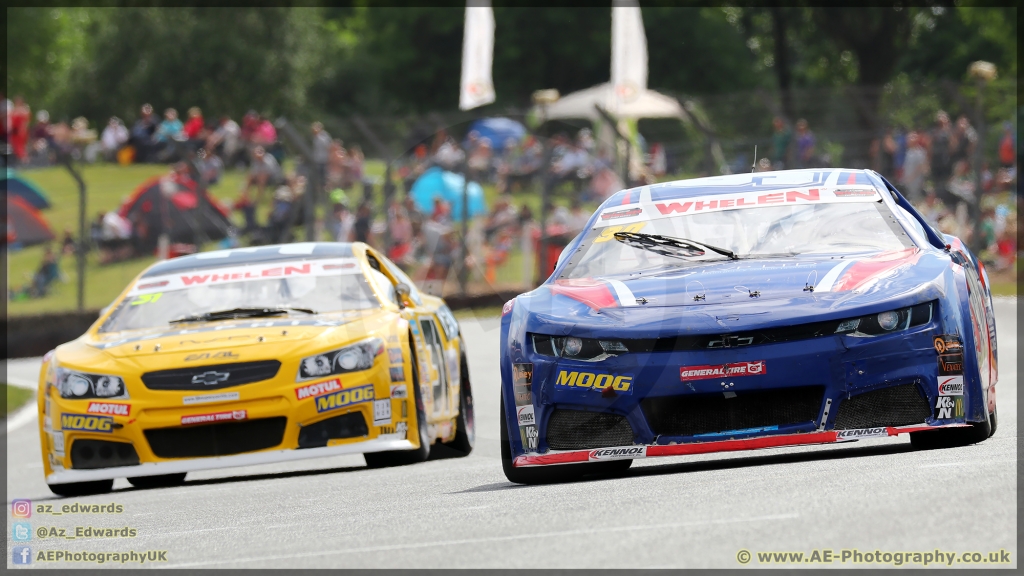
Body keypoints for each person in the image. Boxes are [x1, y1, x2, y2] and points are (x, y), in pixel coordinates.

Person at [8, 96, 31, 162]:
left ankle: (25, 161)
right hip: (14, 132)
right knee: (15, 147)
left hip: (20, 132)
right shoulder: (14, 110)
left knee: (20, 148)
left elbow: (25, 122)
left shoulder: (24, 110)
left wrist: (22, 130)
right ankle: (19, 161)